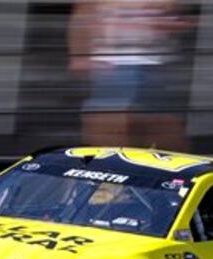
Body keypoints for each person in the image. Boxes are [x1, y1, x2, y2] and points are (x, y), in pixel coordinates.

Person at [68, 0, 196, 150]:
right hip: (114, 64)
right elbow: (83, 15)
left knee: (155, 126)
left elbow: (176, 15)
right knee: (112, 125)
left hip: (151, 64)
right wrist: (79, 55)